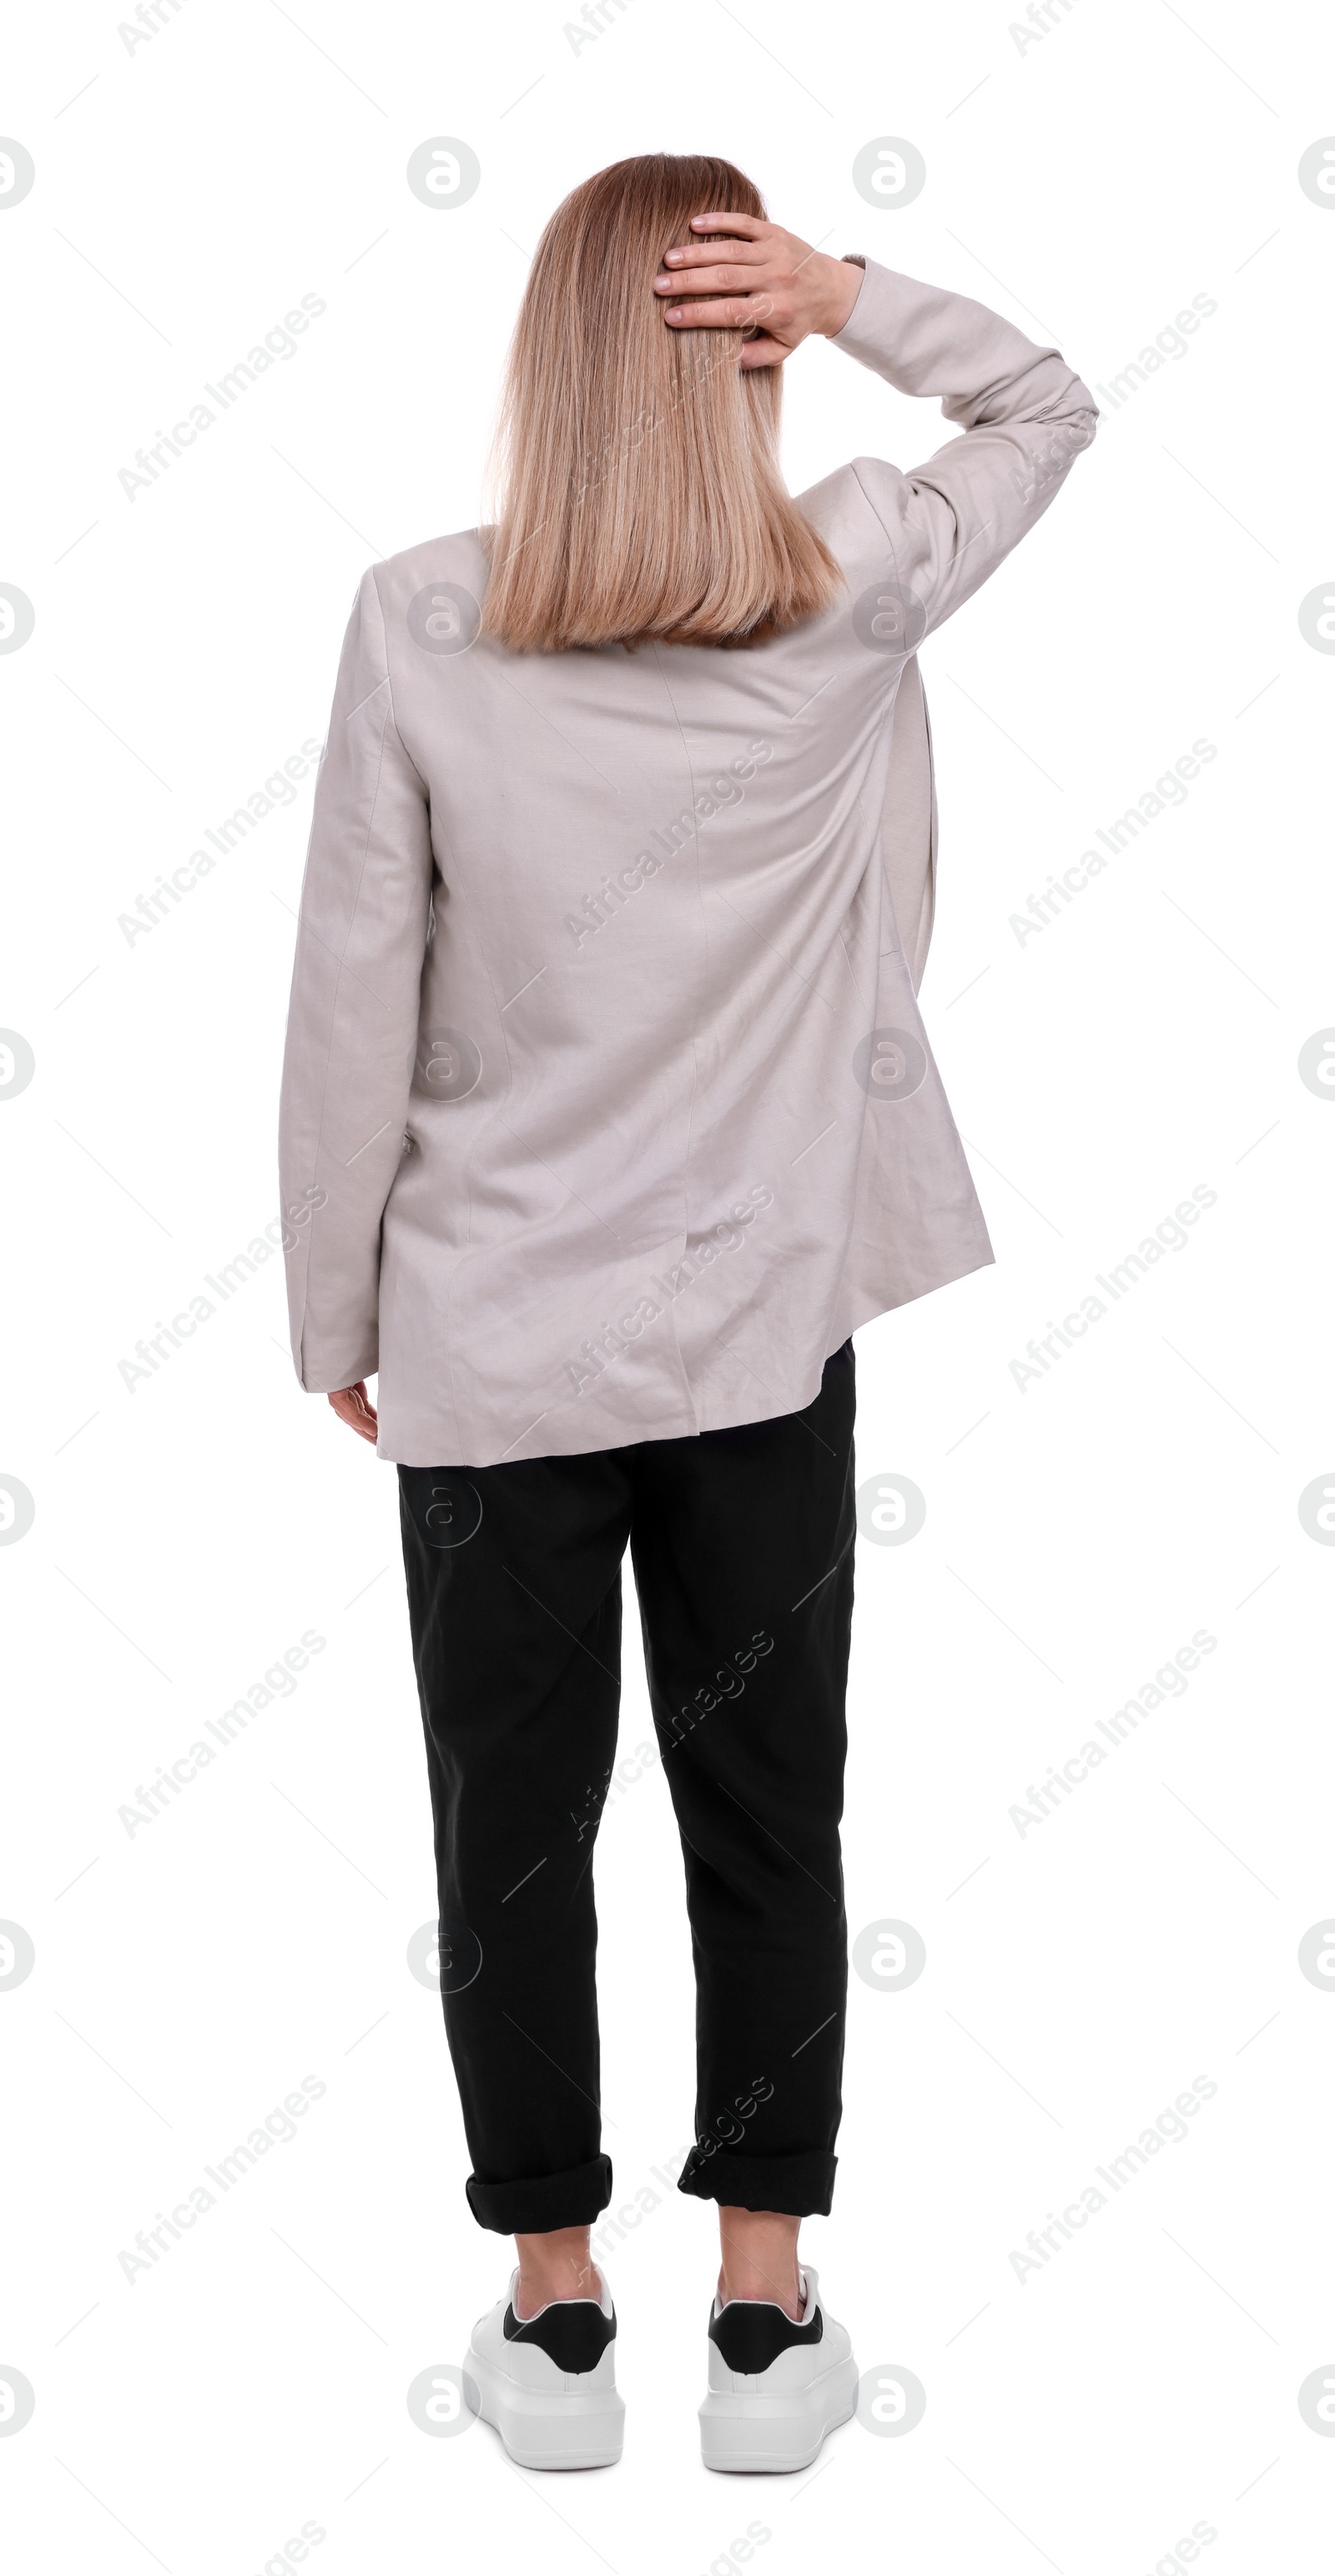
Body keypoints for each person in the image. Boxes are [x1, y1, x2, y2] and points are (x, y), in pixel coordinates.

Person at [278, 151, 1096, 2473]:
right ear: (752, 358)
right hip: (757, 1336)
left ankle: (553, 2314)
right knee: (767, 1806)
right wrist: (853, 296)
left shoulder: (421, 617)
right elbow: (1043, 407)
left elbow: (356, 996)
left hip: (484, 1344)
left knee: (508, 1828)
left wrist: (334, 1304)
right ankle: (762, 2312)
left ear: (541, 361)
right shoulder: (845, 580)